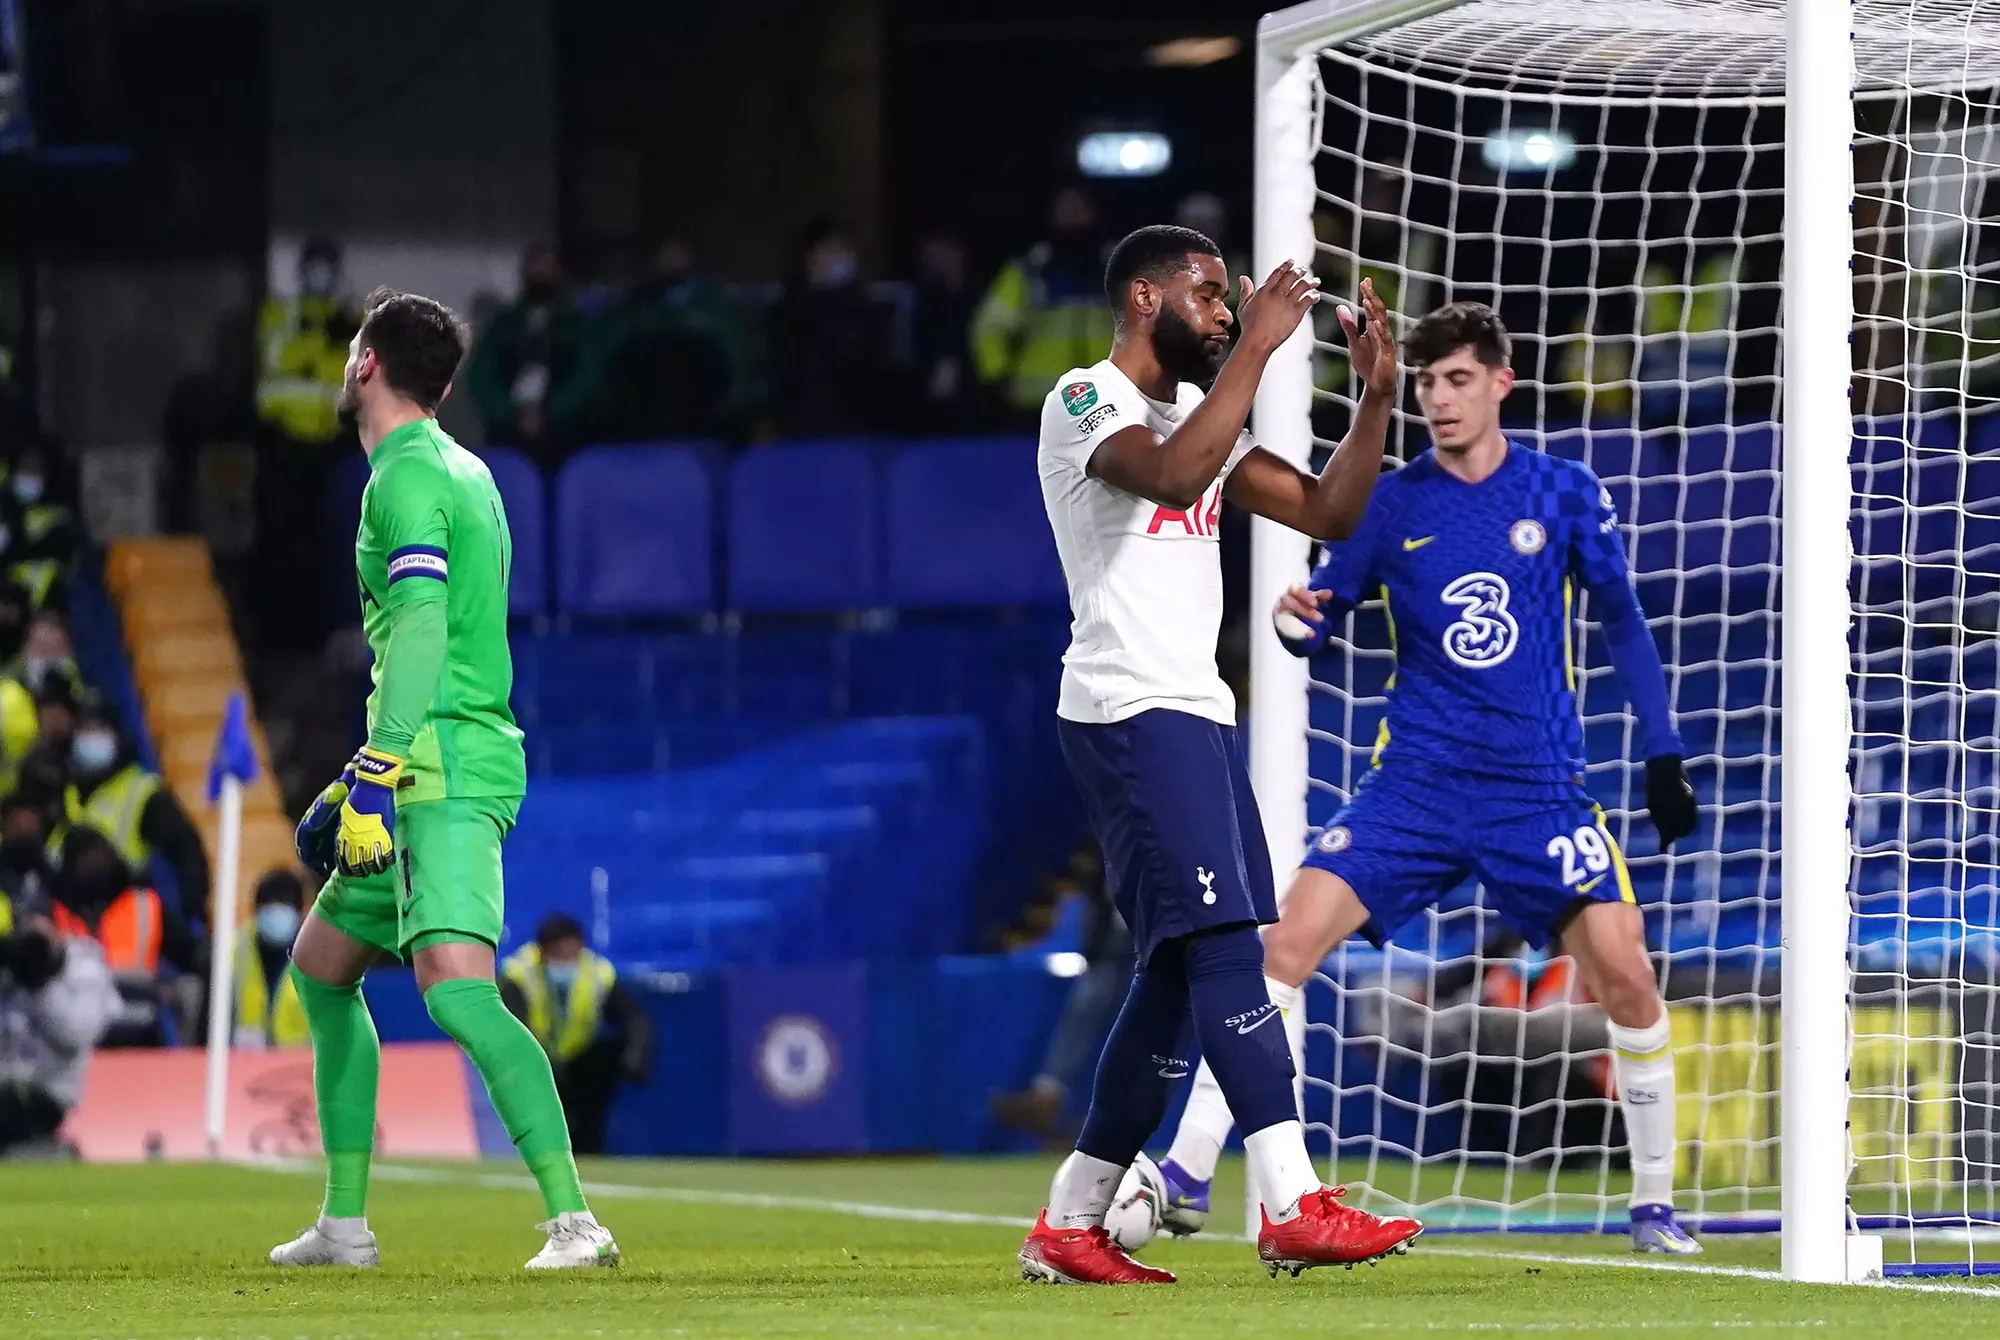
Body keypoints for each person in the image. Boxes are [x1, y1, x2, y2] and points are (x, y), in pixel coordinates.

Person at [1152, 301, 1704, 1256]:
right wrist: (1296, 619)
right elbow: (1318, 617)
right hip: (1415, 785)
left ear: (1502, 382)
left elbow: (1620, 619)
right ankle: (1189, 1169)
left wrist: (1661, 752)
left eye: (1457, 381)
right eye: (1426, 383)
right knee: (1282, 946)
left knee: (1628, 973)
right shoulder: (1392, 501)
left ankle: (1654, 1205)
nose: (1439, 400)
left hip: (1537, 791)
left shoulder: (1563, 492)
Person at [1021, 223, 1411, 1286]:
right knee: (1234, 946)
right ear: (1142, 298)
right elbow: (1168, 475)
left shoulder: (1204, 412)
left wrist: (1373, 396)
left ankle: (1070, 1218)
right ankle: (1291, 1200)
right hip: (1127, 707)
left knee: (1170, 974)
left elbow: (1327, 506)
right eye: (1206, 296)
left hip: (1192, 710)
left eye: (1228, 304)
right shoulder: (1083, 398)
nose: (1224, 316)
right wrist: (1261, 349)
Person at [277, 287, 616, 1270]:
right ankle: (344, 1224)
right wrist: (361, 775)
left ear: (366, 364)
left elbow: (423, 630)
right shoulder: (469, 470)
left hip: (441, 767)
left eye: (350, 349)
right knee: (322, 967)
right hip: (427, 755)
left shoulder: (402, 479)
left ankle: (575, 1221)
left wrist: (375, 775)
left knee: (458, 993)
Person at [500, 913, 651, 1155]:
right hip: (537, 1059)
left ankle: (590, 1150)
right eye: (557, 952)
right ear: (542, 950)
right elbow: (513, 1024)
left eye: (571, 950)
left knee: (603, 1059)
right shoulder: (519, 973)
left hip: (579, 1057)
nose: (565, 960)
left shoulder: (598, 973)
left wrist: (636, 1056)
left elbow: (633, 1019)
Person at [50, 825, 206, 1048]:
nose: (95, 863)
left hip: (141, 1012)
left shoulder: (144, 903)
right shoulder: (53, 910)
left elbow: (189, 954)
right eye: (84, 857)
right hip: (77, 1019)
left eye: (99, 854)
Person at [56, 697, 210, 915]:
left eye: (99, 730)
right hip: (69, 912)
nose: (90, 738)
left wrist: (193, 909)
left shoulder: (142, 792)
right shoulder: (62, 788)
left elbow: (186, 851)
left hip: (123, 909)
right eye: (84, 730)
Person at [972, 187, 1115, 420]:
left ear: (1093, 211)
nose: (1071, 213)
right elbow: (989, 327)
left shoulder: (1120, 267)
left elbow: (1148, 326)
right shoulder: (1029, 269)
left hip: (1111, 403)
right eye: (1064, 206)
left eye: (1078, 206)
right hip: (1039, 405)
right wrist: (996, 378)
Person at [601, 236, 754, 441]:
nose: (672, 260)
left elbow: (736, 354)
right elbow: (612, 352)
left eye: (678, 253)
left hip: (702, 414)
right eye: (666, 255)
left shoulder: (712, 303)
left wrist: (734, 401)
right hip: (646, 414)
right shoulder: (637, 305)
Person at [0, 902, 121, 1157]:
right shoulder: (9, 967)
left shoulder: (82, 967)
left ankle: (46, 1151)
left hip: (47, 1089)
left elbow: (77, 1033)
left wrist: (44, 981)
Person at [465, 243, 600, 467]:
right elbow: (482, 375)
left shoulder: (578, 326)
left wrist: (551, 413)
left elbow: (587, 376)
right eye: (536, 267)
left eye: (548, 267)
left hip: (565, 433)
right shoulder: (503, 325)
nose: (541, 274)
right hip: (506, 433)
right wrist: (511, 413)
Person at [770, 219, 891, 436]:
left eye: (845, 250)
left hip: (853, 430)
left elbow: (874, 371)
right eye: (832, 250)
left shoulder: (863, 309)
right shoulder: (788, 311)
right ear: (811, 257)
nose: (841, 258)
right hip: (799, 431)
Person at [233, 869, 309, 1048]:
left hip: (303, 1062)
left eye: (284, 905)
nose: (276, 914)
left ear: (299, 912)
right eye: (269, 905)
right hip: (244, 1060)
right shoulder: (235, 950)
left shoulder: (322, 955)